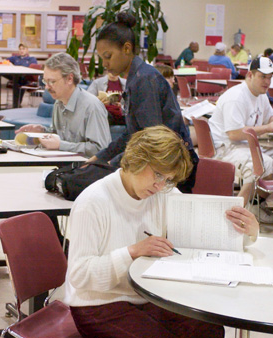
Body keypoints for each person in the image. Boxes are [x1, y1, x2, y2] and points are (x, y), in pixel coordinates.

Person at [65, 125, 258, 338]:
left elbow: (203, 235)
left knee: (208, 329)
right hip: (97, 304)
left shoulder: (162, 193)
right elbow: (79, 275)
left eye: (168, 179)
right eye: (157, 174)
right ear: (136, 158)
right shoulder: (93, 203)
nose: (160, 186)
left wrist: (248, 232)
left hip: (144, 297)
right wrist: (132, 252)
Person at [88, 12, 198, 193]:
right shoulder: (136, 78)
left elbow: (151, 140)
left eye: (108, 56)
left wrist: (111, 165)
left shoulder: (144, 80)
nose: (105, 64)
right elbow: (132, 134)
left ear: (127, 48)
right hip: (162, 161)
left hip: (175, 167)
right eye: (102, 58)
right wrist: (99, 158)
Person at [208, 56, 273, 220]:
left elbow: (269, 118)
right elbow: (234, 134)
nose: (267, 81)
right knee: (260, 163)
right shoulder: (236, 97)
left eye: (270, 77)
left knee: (266, 161)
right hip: (224, 148)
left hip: (243, 145)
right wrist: (267, 128)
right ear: (250, 75)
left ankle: (258, 205)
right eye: (263, 76)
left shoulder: (261, 95)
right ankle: (235, 215)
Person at [15, 52, 111, 158]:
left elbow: (100, 149)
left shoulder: (92, 107)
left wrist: (61, 145)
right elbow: (60, 135)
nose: (47, 87)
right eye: (45, 81)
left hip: (87, 171)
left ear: (69, 79)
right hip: (66, 167)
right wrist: (42, 131)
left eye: (52, 81)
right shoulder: (59, 102)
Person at [155, 64, 197, 147]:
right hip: (171, 137)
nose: (173, 81)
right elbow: (168, 123)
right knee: (204, 134)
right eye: (169, 78)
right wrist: (183, 120)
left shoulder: (160, 95)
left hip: (172, 133)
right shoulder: (160, 98)